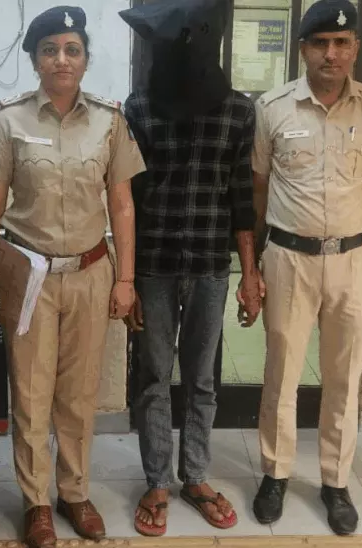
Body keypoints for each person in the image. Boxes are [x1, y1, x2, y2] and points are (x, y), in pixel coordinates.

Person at [0, 6, 145, 546]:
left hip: (91, 273)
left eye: (72, 50)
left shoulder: (110, 121)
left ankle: (75, 491)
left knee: (79, 390)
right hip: (28, 278)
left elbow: (122, 205)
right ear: (35, 60)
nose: (61, 59)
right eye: (50, 50)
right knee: (30, 389)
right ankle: (36, 501)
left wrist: (125, 279)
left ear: (86, 60)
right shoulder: (9, 121)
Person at [250, 0, 362, 536]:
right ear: (303, 49)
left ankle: (335, 481)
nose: (331, 53)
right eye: (320, 43)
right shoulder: (272, 107)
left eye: (341, 43)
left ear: (355, 48)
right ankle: (275, 473)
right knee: (282, 374)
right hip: (289, 258)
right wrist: (255, 263)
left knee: (343, 376)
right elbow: (259, 187)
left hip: (355, 258)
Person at [119, 0, 263, 537]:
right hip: (153, 266)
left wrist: (250, 275)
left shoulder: (238, 111)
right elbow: (127, 199)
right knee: (153, 377)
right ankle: (158, 481)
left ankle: (196, 477)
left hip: (209, 267)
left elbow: (242, 199)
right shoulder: (139, 107)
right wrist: (126, 278)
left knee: (203, 379)